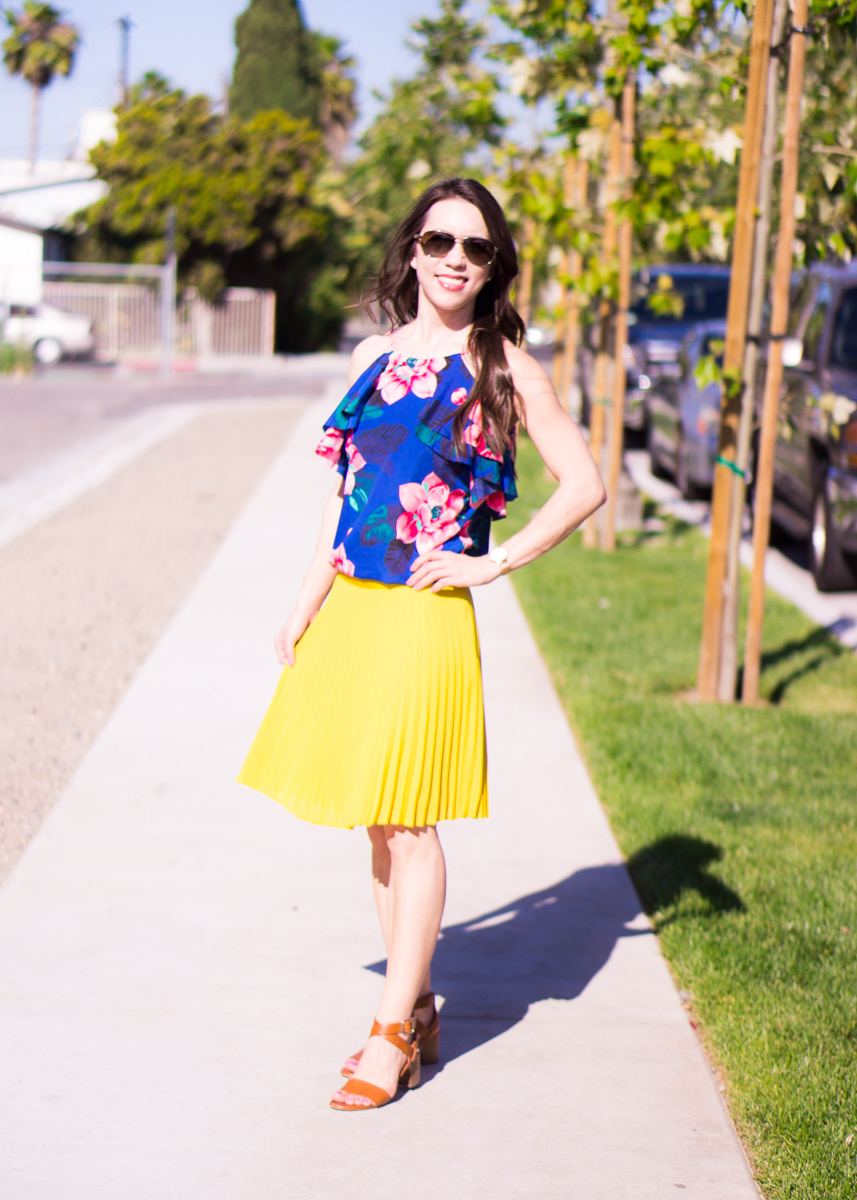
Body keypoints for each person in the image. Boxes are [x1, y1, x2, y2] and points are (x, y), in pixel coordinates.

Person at [238, 177, 605, 1111]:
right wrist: (305, 598)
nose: (453, 258)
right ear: (411, 250)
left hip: (424, 612)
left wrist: (498, 562)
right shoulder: (375, 354)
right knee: (375, 813)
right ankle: (421, 1007)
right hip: (354, 608)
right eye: (439, 240)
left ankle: (393, 1029)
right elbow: (348, 492)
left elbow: (585, 483)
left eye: (475, 248)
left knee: (409, 818)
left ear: (493, 268)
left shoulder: (507, 366)